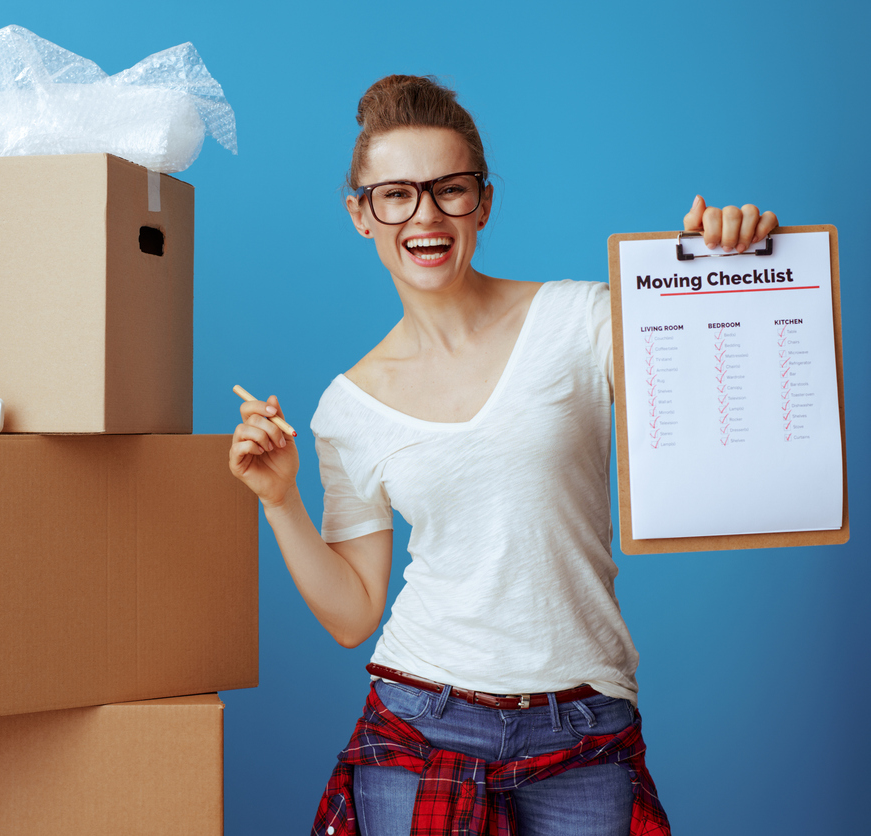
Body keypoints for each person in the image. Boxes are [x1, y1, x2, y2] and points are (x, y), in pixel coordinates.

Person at [227, 74, 777, 836]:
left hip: (583, 723)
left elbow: (718, 387)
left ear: (483, 202)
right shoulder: (346, 407)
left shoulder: (581, 318)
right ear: (361, 215)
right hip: (422, 718)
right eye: (395, 194)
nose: (425, 214)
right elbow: (354, 614)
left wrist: (726, 267)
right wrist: (280, 501)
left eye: (449, 189)